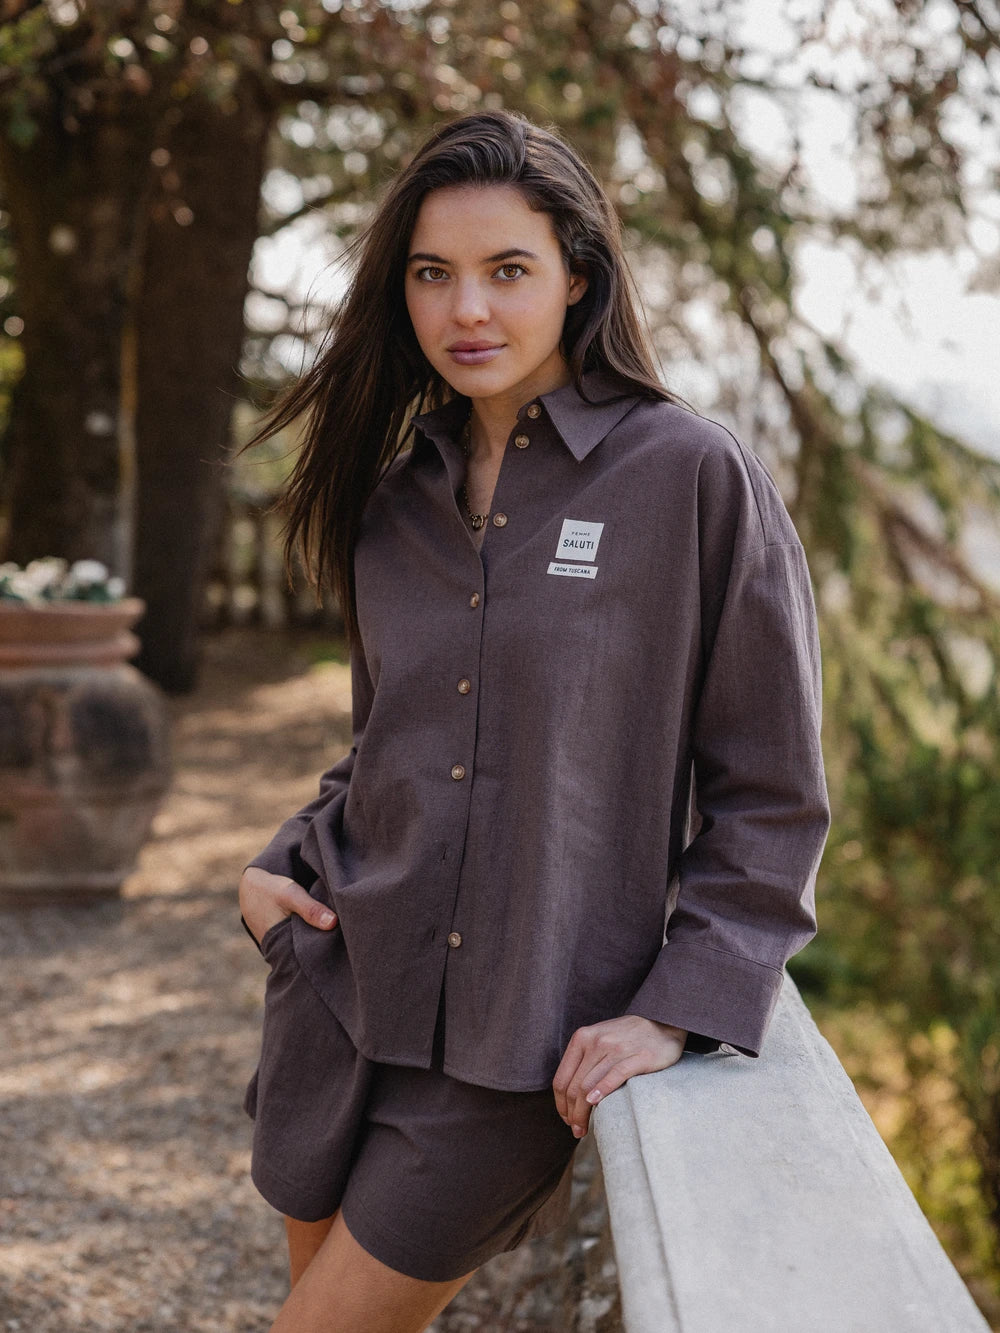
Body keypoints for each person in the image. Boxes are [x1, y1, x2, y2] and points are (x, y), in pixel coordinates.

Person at [237, 108, 830, 1333]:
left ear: (578, 278)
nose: (467, 310)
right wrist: (277, 869)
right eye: (432, 273)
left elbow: (772, 791)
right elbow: (384, 743)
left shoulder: (690, 476)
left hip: (517, 1043)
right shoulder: (392, 497)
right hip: (341, 991)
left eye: (507, 270)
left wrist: (678, 1005)